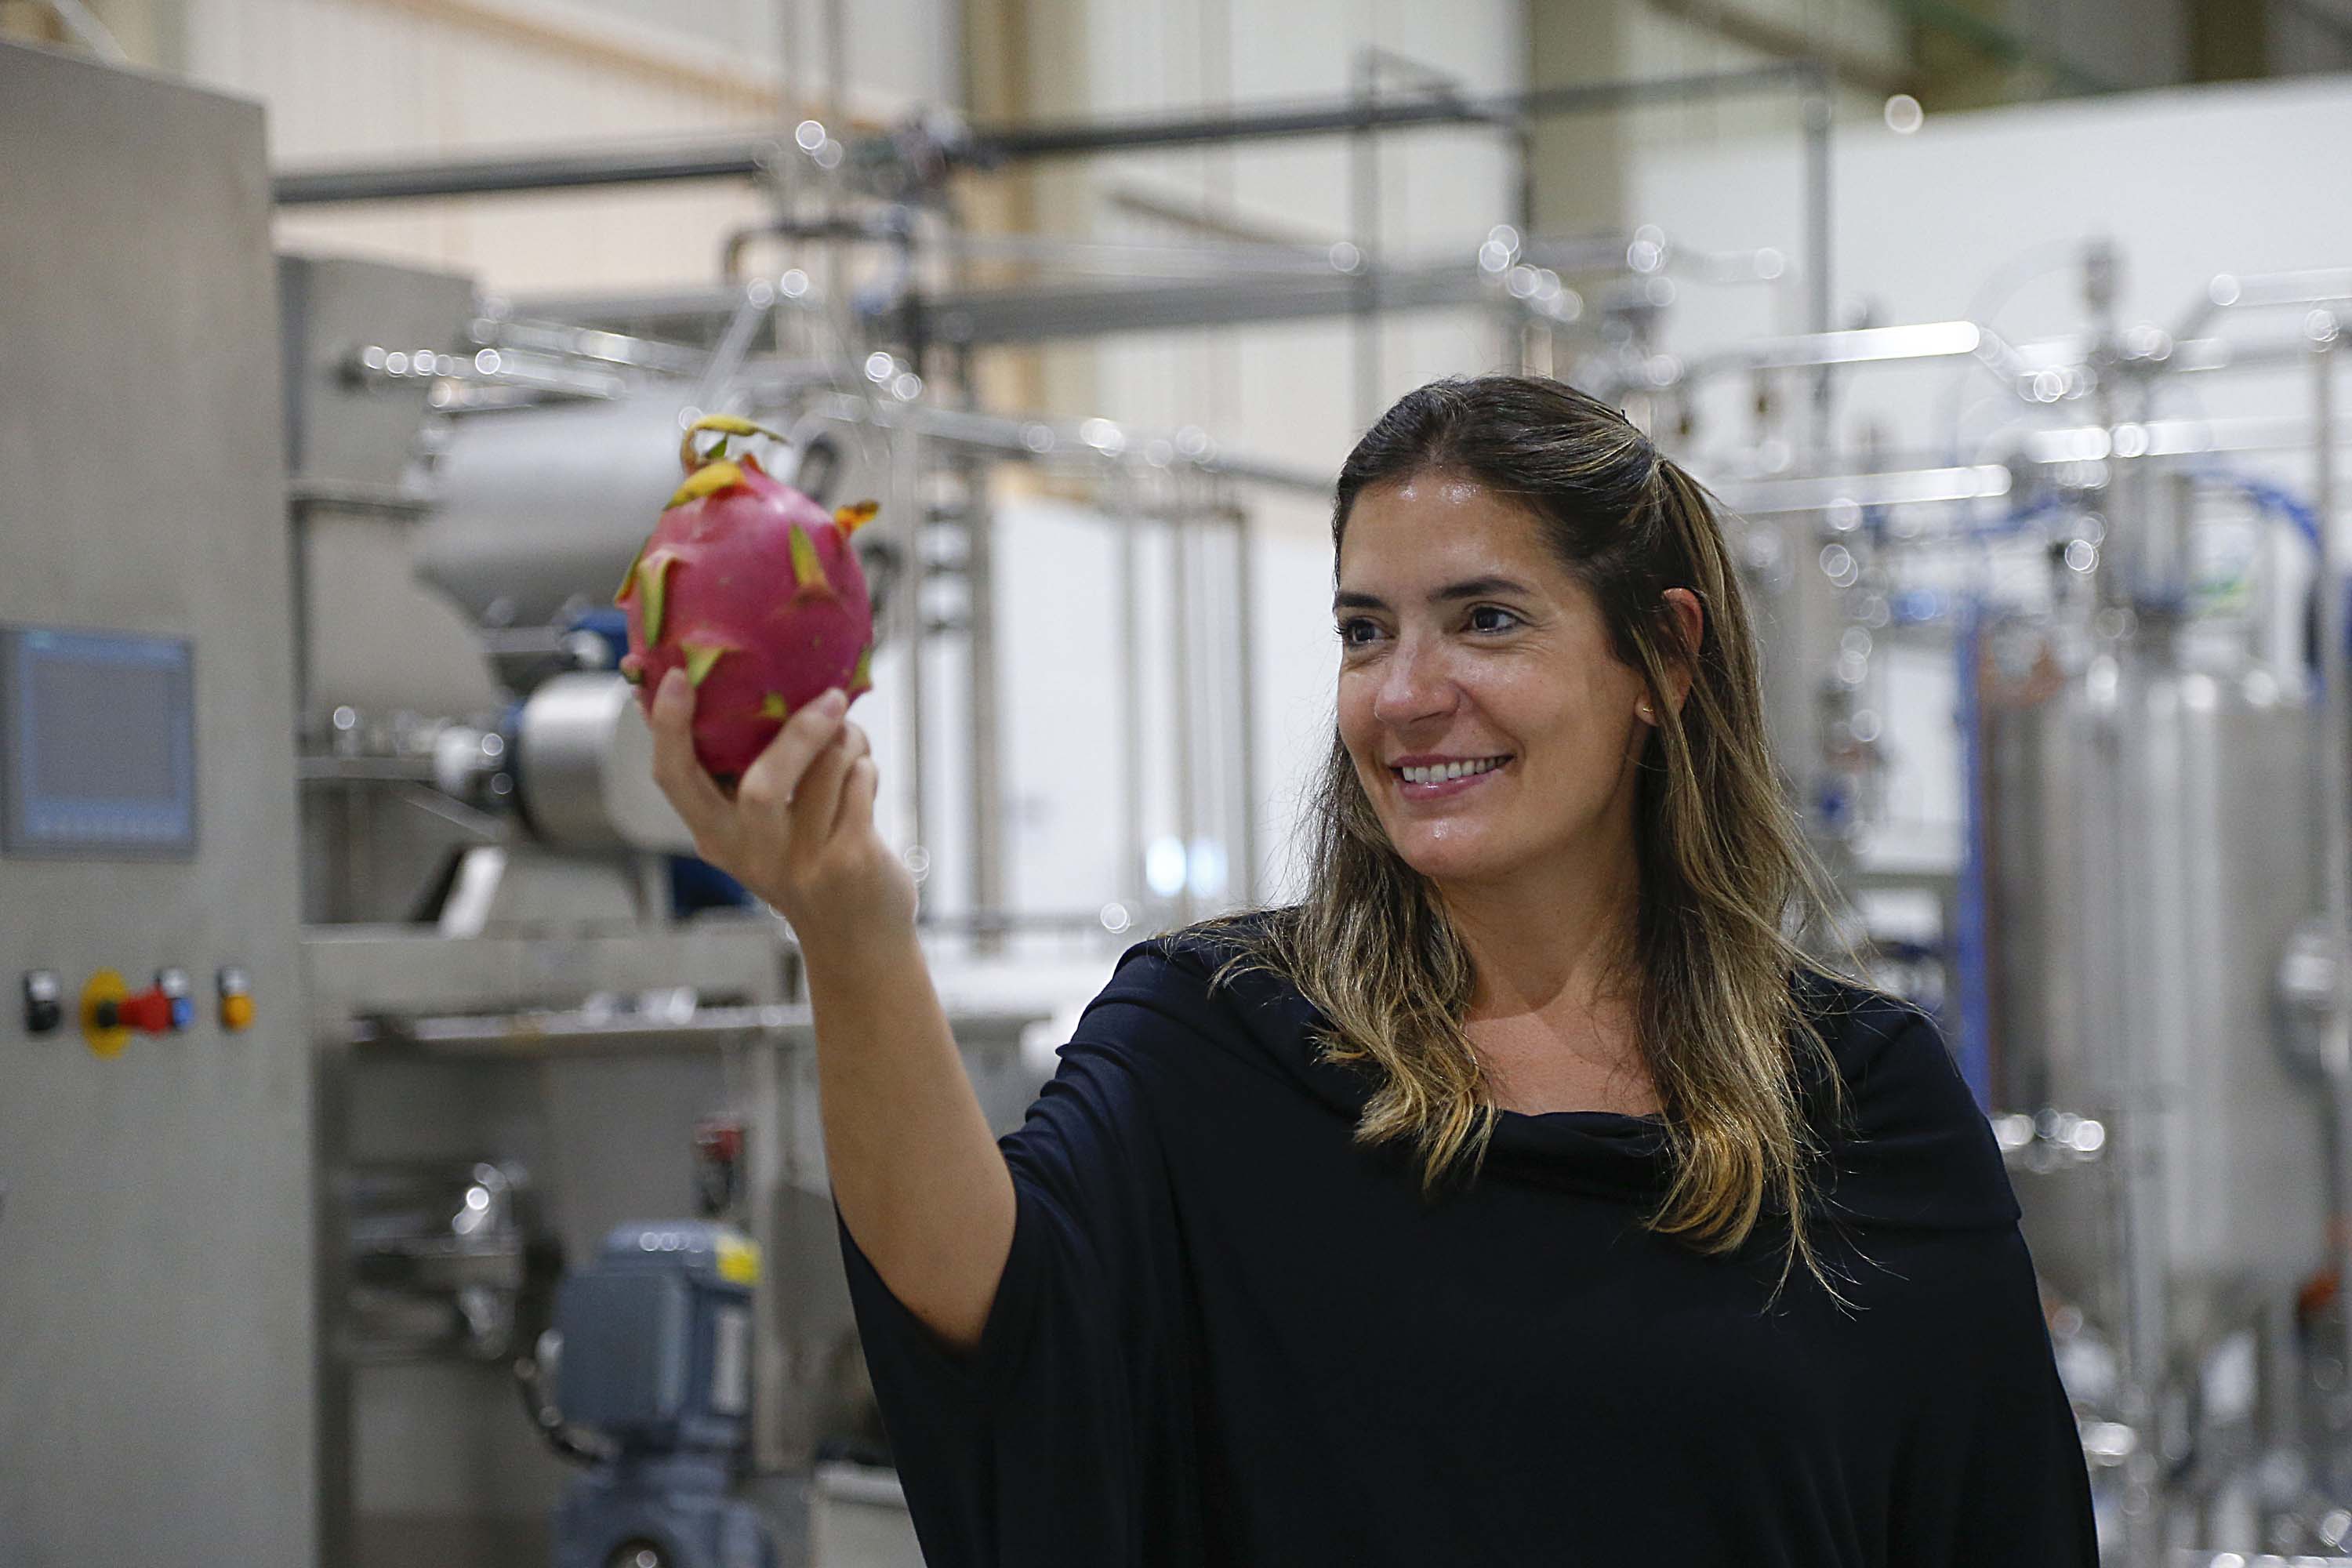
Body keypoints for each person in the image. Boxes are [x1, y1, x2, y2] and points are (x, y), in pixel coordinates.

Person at [648, 374, 2099, 1566]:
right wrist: (851, 932)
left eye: (1486, 619)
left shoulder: (1860, 1106)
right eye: (1365, 631)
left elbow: (2000, 1531)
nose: (1406, 694)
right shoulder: (1221, 1044)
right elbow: (989, 1321)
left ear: (1660, 658)